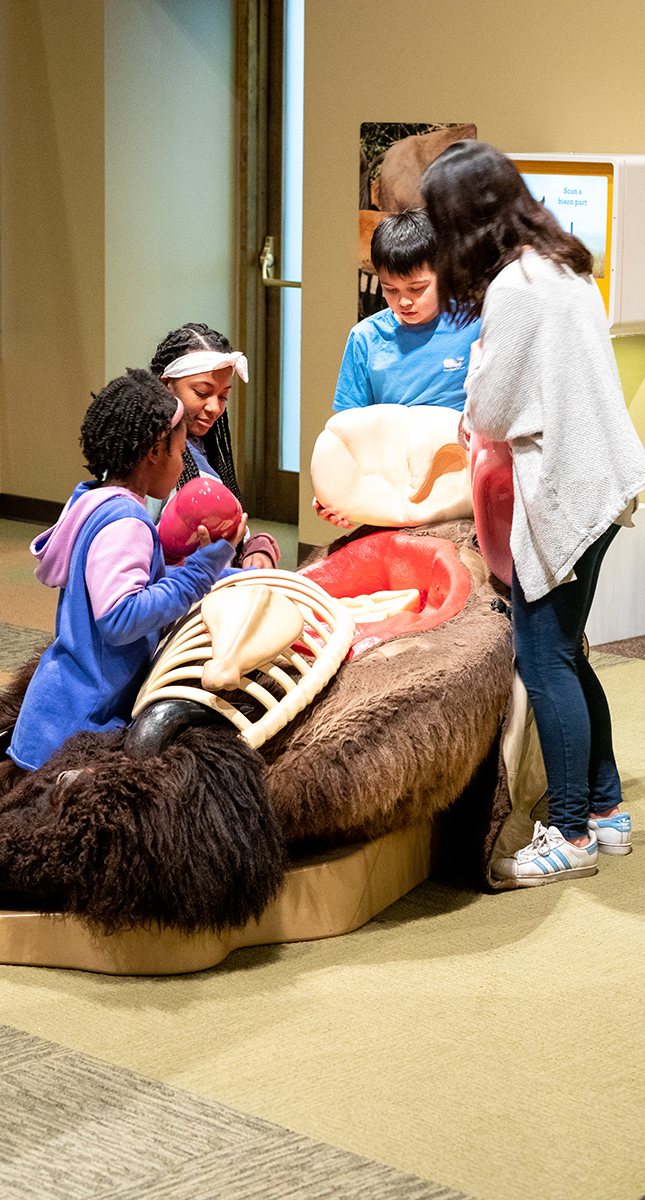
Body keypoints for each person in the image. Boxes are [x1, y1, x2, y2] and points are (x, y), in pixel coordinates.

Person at [0, 368, 247, 917]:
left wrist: (193, 567)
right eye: (180, 450)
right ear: (155, 449)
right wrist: (200, 571)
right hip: (86, 715)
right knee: (46, 824)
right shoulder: (127, 522)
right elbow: (120, 617)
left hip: (58, 697)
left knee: (20, 793)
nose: (183, 462)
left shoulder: (93, 502)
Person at [421, 139, 645, 886]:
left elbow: (490, 410)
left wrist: (476, 365)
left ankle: (572, 832)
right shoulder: (563, 264)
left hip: (566, 492)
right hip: (604, 482)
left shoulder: (515, 287)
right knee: (569, 651)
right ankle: (606, 810)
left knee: (542, 657)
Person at [318, 209, 481, 527]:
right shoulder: (365, 339)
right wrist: (334, 493)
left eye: (417, 288)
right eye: (390, 289)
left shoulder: (475, 327)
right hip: (389, 496)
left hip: (460, 493)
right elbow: (349, 438)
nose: (404, 301)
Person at [148, 322, 279, 569]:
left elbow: (229, 532)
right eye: (201, 392)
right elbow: (130, 547)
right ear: (166, 385)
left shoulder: (203, 449)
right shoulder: (149, 457)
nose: (215, 408)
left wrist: (255, 547)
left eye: (223, 396)